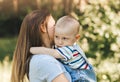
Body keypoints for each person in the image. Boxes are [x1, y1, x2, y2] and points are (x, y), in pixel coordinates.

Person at [11, 9, 72, 82]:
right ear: (43, 27)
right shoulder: (45, 61)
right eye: (54, 25)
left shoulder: (40, 59)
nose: (57, 29)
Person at [30, 16, 97, 82]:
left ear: (76, 38)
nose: (60, 42)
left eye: (64, 38)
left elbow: (53, 53)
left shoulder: (69, 49)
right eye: (56, 37)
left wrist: (31, 50)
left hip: (82, 77)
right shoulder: (63, 45)